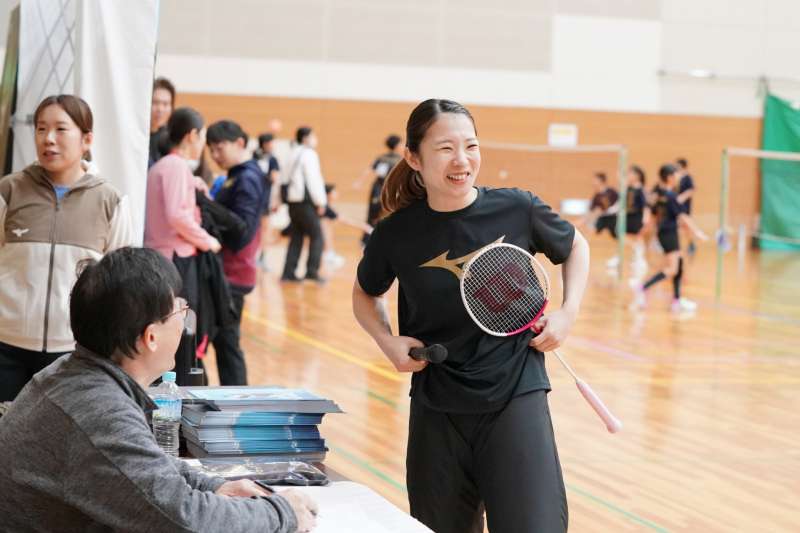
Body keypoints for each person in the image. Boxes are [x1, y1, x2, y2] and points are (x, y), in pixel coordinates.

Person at [352, 99, 589, 533]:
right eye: (445, 148)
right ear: (414, 158)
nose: (462, 160)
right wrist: (387, 341)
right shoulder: (396, 233)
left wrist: (568, 313)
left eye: (471, 146)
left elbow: (575, 246)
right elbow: (365, 294)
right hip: (437, 408)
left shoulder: (517, 209)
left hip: (515, 396)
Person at [0, 247, 317, 532]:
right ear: (150, 337)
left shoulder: (73, 374)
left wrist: (213, 486)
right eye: (180, 310)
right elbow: (185, 520)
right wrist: (282, 513)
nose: (184, 319)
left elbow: (140, 466)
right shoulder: (98, 410)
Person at [0, 94, 134, 402]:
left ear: (87, 139)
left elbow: (121, 283)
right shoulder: (9, 190)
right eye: (41, 128)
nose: (48, 139)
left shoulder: (110, 200)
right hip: (5, 347)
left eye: (60, 129)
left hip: (73, 352)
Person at [144, 107, 222, 376]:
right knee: (180, 331)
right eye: (202, 137)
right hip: (175, 259)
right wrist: (207, 240)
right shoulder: (176, 166)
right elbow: (178, 215)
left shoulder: (167, 166)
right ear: (192, 135)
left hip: (163, 258)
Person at [207, 120, 267, 385]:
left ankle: (237, 401)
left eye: (219, 148)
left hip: (233, 274)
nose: (215, 155)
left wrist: (205, 204)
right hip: (227, 272)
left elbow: (241, 232)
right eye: (211, 150)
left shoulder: (247, 178)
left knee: (227, 344)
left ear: (240, 143)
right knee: (223, 343)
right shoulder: (235, 176)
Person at [632, 163, 707, 313]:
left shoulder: (659, 195)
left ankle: (677, 300)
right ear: (669, 177)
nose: (679, 177)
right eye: (676, 175)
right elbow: (683, 216)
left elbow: (654, 216)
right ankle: (643, 287)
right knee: (673, 269)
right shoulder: (670, 196)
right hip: (669, 234)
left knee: (679, 264)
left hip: (664, 233)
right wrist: (697, 232)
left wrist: (645, 229)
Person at [280, 127, 327, 283]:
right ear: (306, 138)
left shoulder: (291, 153)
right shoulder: (309, 154)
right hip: (305, 203)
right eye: (313, 136)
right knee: (317, 236)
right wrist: (321, 202)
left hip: (292, 203)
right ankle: (312, 272)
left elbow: (283, 180)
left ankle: (288, 273)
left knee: (296, 237)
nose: (315, 139)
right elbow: (313, 180)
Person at [357, 134, 403, 245]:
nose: (403, 145)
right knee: (377, 214)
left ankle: (369, 240)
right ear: (397, 145)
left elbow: (370, 170)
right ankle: (367, 240)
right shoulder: (398, 160)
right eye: (401, 143)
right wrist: (359, 182)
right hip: (383, 190)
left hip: (381, 190)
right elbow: (371, 170)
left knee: (377, 215)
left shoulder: (384, 158)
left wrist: (359, 182)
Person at [254, 132, 281, 270]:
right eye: (270, 143)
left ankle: (260, 258)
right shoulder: (267, 159)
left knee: (261, 229)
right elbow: (275, 179)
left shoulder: (259, 157)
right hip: (259, 200)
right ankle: (259, 258)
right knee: (263, 230)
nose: (272, 145)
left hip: (260, 200)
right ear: (264, 144)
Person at [584, 171, 620, 268]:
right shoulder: (596, 196)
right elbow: (593, 210)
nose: (593, 182)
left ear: (601, 180)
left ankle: (618, 257)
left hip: (614, 218)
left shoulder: (611, 192)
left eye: (595, 179)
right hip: (603, 218)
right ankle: (582, 253)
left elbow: (617, 204)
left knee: (618, 238)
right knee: (590, 231)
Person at [149, 77, 175, 167]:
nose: (160, 109)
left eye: (165, 104)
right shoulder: (138, 135)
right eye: (155, 103)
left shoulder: (173, 138)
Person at [675, 157, 697, 256]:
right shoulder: (676, 177)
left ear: (683, 166)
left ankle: (691, 244)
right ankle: (676, 246)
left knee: (686, 227)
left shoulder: (687, 177)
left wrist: (682, 197)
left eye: (678, 166)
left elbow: (692, 189)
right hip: (676, 206)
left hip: (685, 206)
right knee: (677, 226)